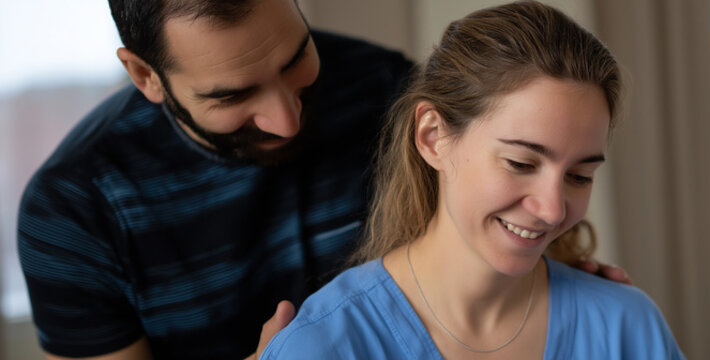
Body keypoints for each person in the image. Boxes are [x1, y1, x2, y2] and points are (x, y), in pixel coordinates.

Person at [17, 1, 630, 359]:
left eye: (295, 61)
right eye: (234, 95)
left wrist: (555, 270)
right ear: (144, 74)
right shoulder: (73, 211)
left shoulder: (387, 88)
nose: (286, 118)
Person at [260, 2, 684, 359]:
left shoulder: (627, 327)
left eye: (579, 175)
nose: (553, 209)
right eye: (520, 163)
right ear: (433, 137)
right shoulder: (321, 345)